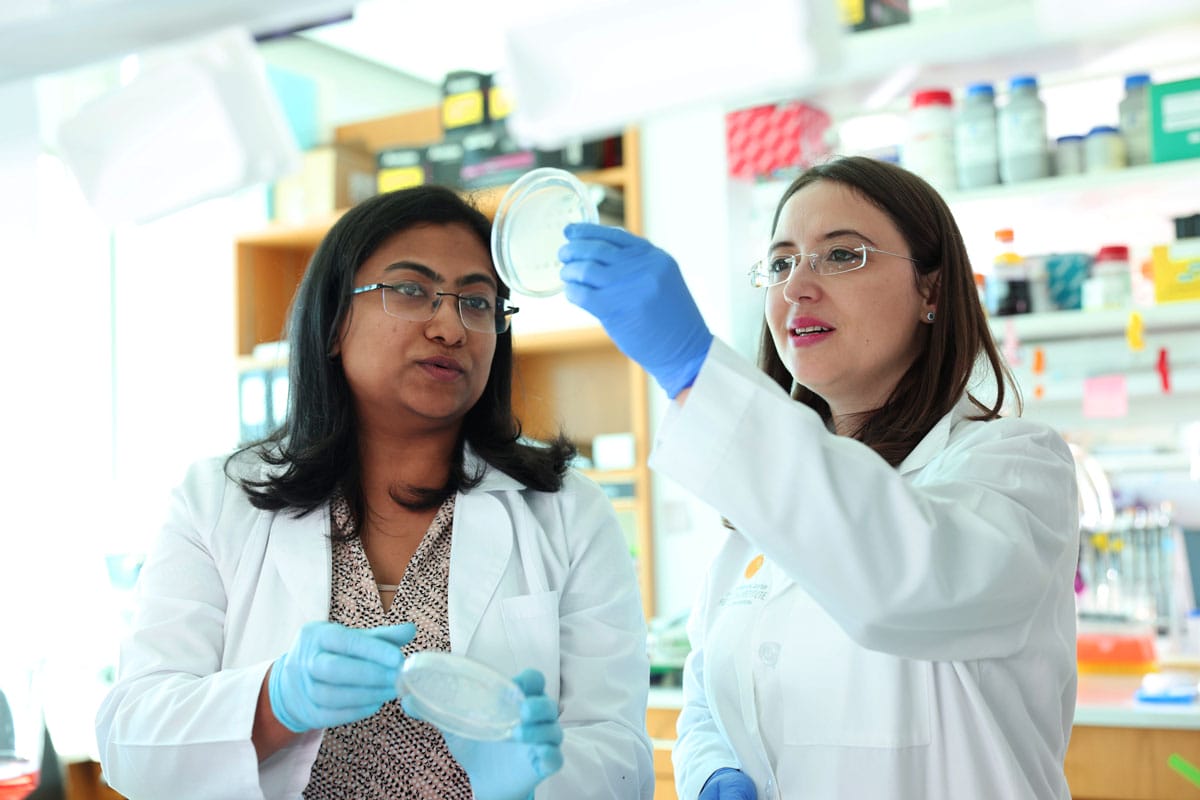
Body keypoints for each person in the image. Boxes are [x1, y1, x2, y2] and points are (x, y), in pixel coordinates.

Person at [95, 185, 654, 800]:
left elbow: (622, 757)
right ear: (333, 323)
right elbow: (129, 739)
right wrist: (274, 701)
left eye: (476, 302)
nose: (449, 326)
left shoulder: (567, 512)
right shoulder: (217, 502)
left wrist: (535, 783)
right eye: (411, 290)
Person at [559, 156, 1079, 799]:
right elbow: (709, 697)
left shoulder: (1016, 467)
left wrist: (697, 371)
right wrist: (715, 769)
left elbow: (905, 583)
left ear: (932, 290)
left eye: (841, 255)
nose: (797, 286)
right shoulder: (755, 523)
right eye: (780, 263)